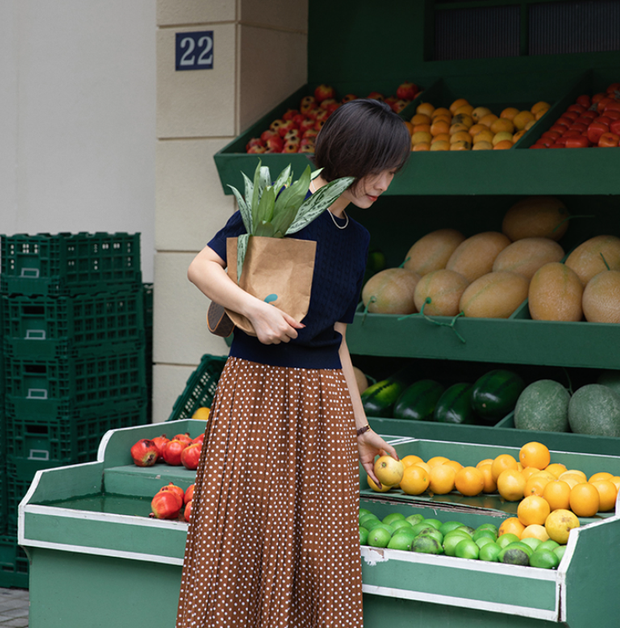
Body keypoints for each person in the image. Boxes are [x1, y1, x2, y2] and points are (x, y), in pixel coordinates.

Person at [176, 98, 411, 628]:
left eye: (392, 172)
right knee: (246, 536)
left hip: (324, 399)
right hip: (256, 392)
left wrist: (361, 428)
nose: (383, 183)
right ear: (348, 153)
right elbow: (201, 266)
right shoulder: (282, 207)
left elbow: (338, 341)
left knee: (320, 545)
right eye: (377, 168)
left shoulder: (359, 238)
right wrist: (255, 310)